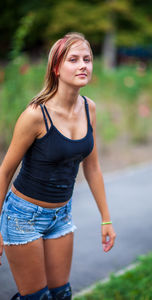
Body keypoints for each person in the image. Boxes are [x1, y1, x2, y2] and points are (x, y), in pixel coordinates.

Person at [0, 32, 116, 300]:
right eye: (73, 59)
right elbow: (5, 171)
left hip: (61, 216)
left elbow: (93, 168)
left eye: (87, 59)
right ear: (56, 68)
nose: (83, 65)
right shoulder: (35, 115)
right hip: (22, 218)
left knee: (61, 294)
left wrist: (106, 219)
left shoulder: (90, 109)